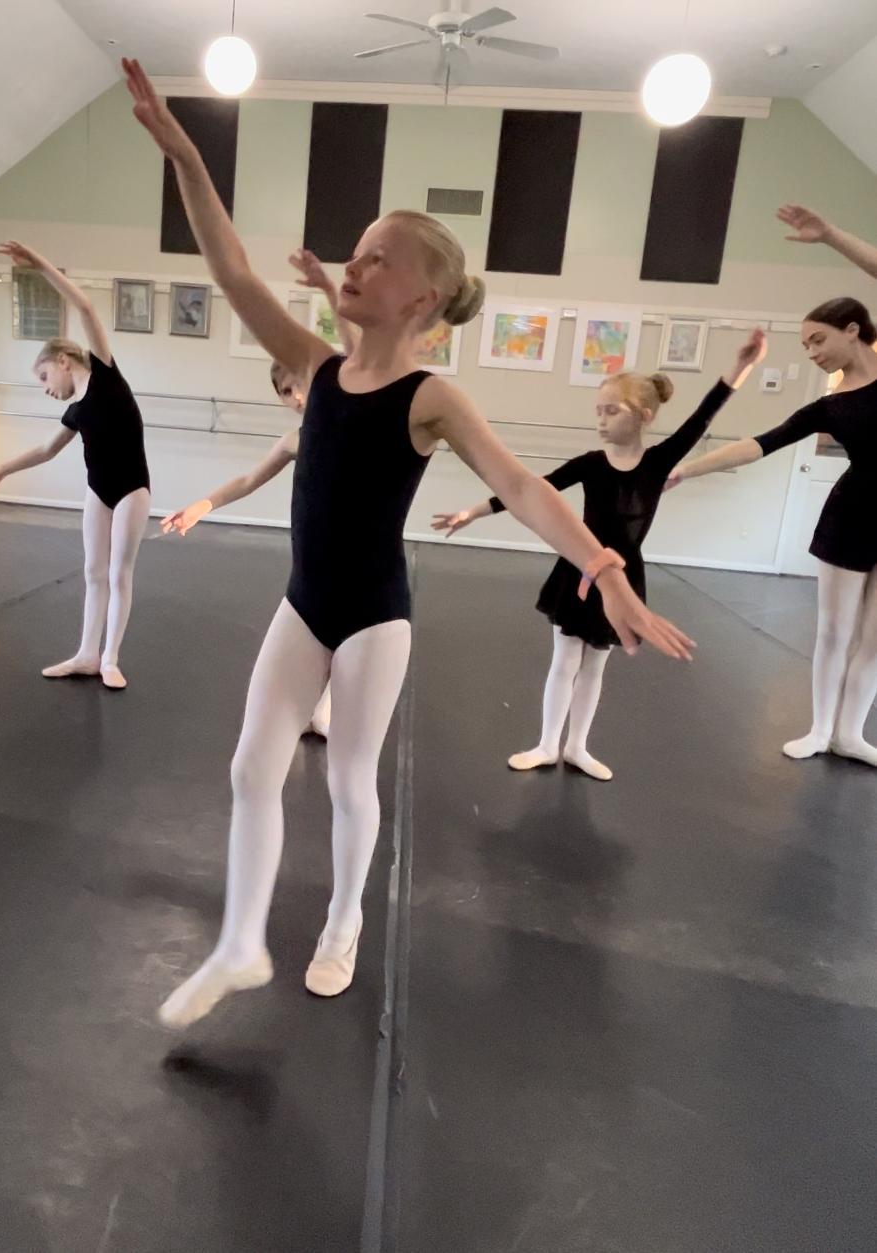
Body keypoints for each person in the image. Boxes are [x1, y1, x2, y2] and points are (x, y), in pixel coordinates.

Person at [123, 58, 692, 1029]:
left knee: (350, 778)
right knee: (251, 768)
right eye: (356, 252)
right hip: (304, 602)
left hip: (374, 617)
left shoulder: (432, 397)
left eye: (377, 259)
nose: (353, 266)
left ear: (423, 299)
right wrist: (184, 155)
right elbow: (231, 270)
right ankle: (241, 943)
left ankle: (344, 919)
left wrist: (603, 566)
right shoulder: (315, 366)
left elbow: (521, 484)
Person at [434, 330, 766, 779]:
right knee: (565, 660)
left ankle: (577, 746)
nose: (602, 420)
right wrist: (473, 511)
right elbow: (531, 488)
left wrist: (742, 366)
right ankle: (547, 743)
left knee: (595, 665)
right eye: (599, 411)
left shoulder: (660, 461)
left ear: (643, 416)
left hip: (624, 579)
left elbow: (703, 416)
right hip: (579, 570)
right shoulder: (591, 464)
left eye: (612, 411)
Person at [669, 204, 877, 764]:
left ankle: (851, 734)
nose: (811, 354)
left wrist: (831, 234)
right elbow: (762, 443)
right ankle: (819, 729)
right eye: (805, 346)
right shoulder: (829, 405)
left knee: (875, 641)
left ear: (853, 330)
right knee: (834, 632)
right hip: (851, 517)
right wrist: (687, 468)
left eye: (817, 340)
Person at [0, 241, 151, 689]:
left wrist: (39, 264)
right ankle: (87, 654)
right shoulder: (75, 411)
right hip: (99, 492)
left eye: (43, 377)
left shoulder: (106, 375)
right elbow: (46, 450)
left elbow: (85, 306)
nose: (45, 387)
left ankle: (111, 658)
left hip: (132, 491)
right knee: (93, 572)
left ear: (63, 361)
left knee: (119, 573)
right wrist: (2, 469)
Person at [162, 358, 332, 737]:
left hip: (356, 562)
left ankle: (325, 711)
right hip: (309, 562)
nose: (297, 397)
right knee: (309, 639)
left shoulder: (355, 432)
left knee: (342, 640)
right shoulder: (295, 440)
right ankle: (311, 710)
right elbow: (249, 479)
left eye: (302, 385)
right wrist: (203, 505)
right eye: (286, 391)